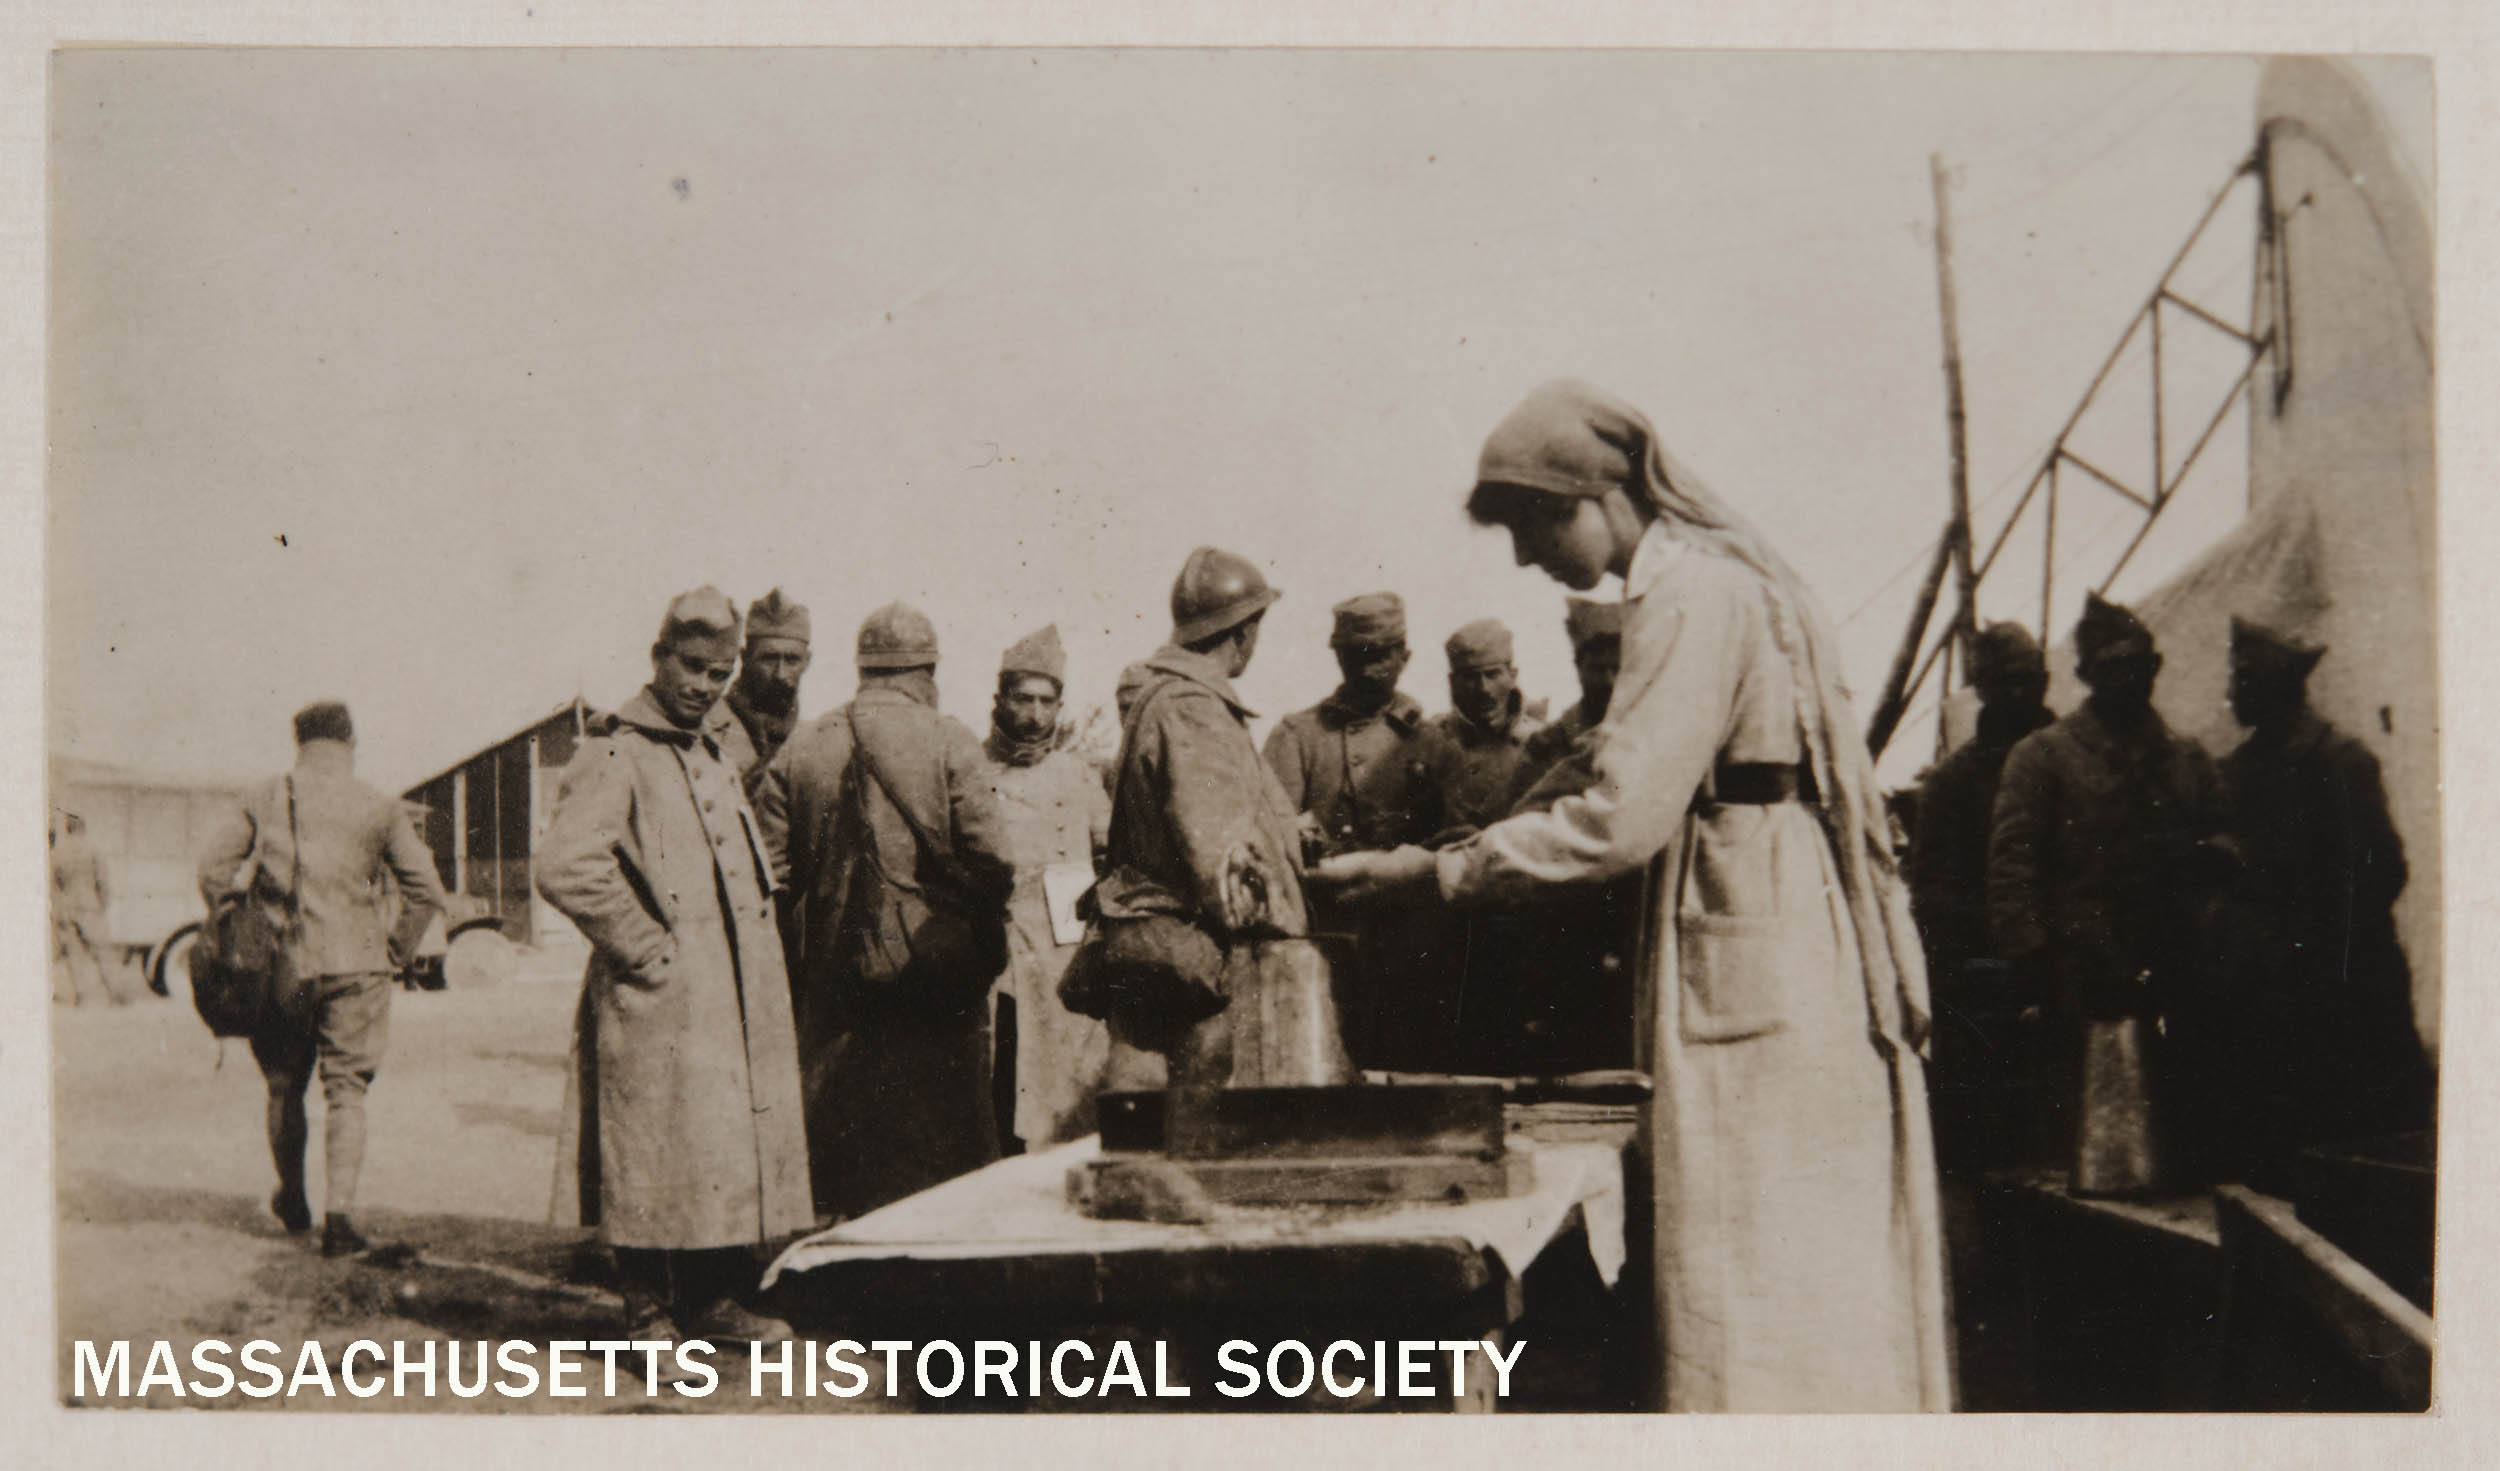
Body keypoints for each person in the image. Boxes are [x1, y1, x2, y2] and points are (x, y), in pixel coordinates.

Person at [1313, 380, 1951, 1411]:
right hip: (1775, 910)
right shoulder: (1729, 578)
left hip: (1755, 928)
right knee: (1796, 1254)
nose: (1525, 558)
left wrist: (1436, 872)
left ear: (1590, 498)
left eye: (1529, 528)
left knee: (1753, 1253)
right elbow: (1610, 767)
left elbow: (1619, 815)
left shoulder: (1688, 594)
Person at [535, 589, 809, 1347]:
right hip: (659, 999)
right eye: (691, 667)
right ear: (658, 657)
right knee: (650, 1152)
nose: (703, 686)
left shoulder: (709, 749)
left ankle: (711, 1299)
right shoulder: (617, 750)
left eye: (719, 674)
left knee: (715, 1147)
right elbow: (565, 866)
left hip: (723, 999)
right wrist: (646, 948)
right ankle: (647, 1313)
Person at [752, 602, 1015, 1222]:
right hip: (933, 985)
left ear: (862, 668)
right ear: (926, 670)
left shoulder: (802, 745)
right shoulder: (949, 739)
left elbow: (768, 879)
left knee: (845, 1161)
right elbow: (994, 863)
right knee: (939, 1161)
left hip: (834, 993)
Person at [1989, 593, 2227, 1195]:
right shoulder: (2042, 757)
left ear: (2155, 666)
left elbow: (2227, 837)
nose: (2126, 678)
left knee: (2184, 1151)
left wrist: (2210, 864)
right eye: (2110, 666)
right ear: (2085, 675)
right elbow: (2012, 867)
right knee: (2087, 1155)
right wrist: (2035, 963)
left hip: (2177, 972)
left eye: (2137, 664)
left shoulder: (2188, 758)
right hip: (2083, 979)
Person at [197, 700, 447, 1257]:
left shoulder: (264, 795)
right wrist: (396, 949)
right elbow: (427, 890)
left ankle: (293, 1197)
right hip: (358, 964)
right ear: (350, 743)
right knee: (347, 1092)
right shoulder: (380, 806)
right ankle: (339, 1220)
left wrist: (240, 924)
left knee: (284, 1085)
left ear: (300, 742)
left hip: (282, 967)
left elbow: (212, 870)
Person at [2213, 615, 2430, 1187]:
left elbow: (2382, 872)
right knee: (2282, 1164)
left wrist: (2309, 936)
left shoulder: (2341, 762)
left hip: (2347, 986)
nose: (2231, 692)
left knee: (2366, 1156)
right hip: (2278, 990)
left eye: (2243, 679)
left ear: (2277, 685)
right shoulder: (2235, 772)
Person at [1084, 546, 1307, 1076]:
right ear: (1244, 631)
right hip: (1202, 984)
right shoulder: (1193, 710)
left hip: (1170, 968)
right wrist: (1289, 938)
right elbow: (1226, 867)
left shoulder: (1164, 699)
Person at [1265, 592, 1438, 1068]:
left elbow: (1455, 836)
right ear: (1337, 657)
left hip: (1410, 943)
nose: (1367, 669)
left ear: (1404, 656)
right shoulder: (1298, 736)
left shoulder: (1431, 740)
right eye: (1354, 656)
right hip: (1327, 937)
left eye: (1380, 655)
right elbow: (1270, 834)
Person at [1908, 622, 2055, 1171]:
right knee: (1983, 1144)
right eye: (2006, 681)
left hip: (2064, 966)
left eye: (2029, 678)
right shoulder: (1953, 782)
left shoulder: (2072, 759)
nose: (2021, 692)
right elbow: (1932, 891)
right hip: (1985, 977)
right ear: (1983, 689)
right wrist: (2004, 942)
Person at [976, 624, 1128, 1150]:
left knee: (1068, 1096)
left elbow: (1111, 852)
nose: (1036, 715)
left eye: (1047, 702)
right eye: (1024, 699)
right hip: (1002, 969)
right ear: (1000, 700)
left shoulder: (1077, 775)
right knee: (1003, 1091)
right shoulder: (972, 770)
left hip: (1067, 965)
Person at [1416, 619, 1545, 838]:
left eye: (1493, 674)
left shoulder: (1542, 743)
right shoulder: (1429, 743)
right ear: (1452, 682)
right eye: (1470, 677)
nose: (1484, 688)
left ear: (1512, 676)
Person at [1511, 596, 1623, 804]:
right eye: (1598, 669)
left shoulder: (1646, 731)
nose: (1609, 681)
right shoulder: (1546, 745)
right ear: (1578, 668)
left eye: (1617, 669)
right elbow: (1524, 809)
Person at [717, 587, 813, 787]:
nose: (780, 674)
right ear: (744, 658)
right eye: (768, 659)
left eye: (792, 660)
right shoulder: (709, 727)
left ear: (807, 661)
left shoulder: (810, 739)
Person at [52, 811, 131, 1006]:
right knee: (104, 952)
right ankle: (117, 995)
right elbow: (102, 881)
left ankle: (82, 996)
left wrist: (59, 908)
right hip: (90, 905)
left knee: (74, 954)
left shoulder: (57, 853)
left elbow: (53, 886)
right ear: (83, 827)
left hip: (66, 908)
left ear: (67, 828)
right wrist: (103, 904)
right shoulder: (93, 850)